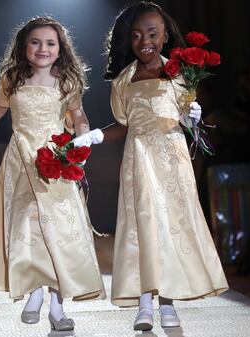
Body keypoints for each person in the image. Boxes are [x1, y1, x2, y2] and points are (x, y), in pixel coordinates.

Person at [74, 2, 228, 331]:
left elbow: (186, 119)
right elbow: (125, 125)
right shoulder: (124, 81)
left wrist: (192, 117)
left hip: (172, 161)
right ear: (128, 40)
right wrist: (96, 136)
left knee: (171, 227)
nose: (145, 41)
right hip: (139, 157)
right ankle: (145, 301)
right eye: (137, 35)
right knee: (143, 225)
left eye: (153, 34)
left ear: (165, 36)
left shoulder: (180, 73)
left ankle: (168, 302)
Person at [0, 17, 105, 332]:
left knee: (57, 230)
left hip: (55, 159)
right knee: (27, 226)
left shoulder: (67, 81)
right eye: (36, 42)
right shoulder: (12, 78)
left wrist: (82, 137)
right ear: (24, 46)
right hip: (22, 162)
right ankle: (34, 292)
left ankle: (57, 306)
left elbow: (78, 116)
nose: (43, 49)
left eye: (50, 43)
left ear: (60, 49)